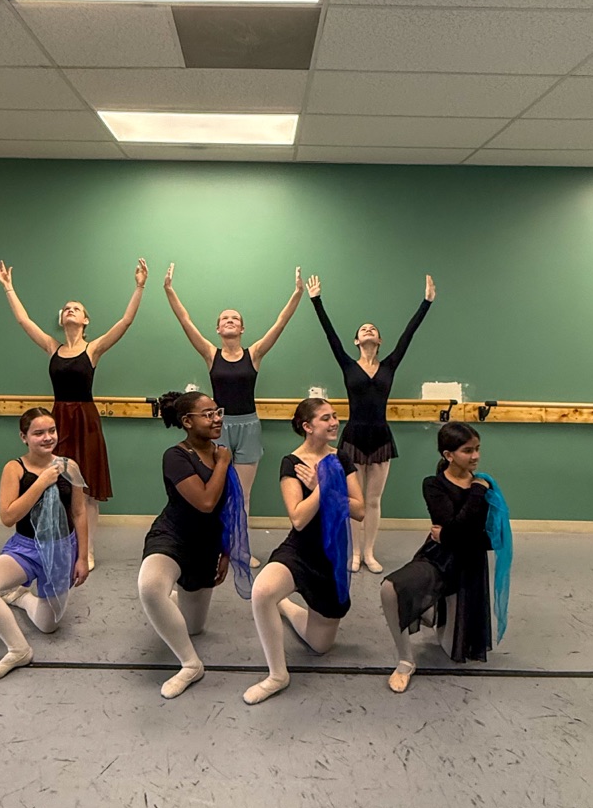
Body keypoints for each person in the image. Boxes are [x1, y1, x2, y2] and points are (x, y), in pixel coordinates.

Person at [0, 258, 148, 570]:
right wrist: (9, 288)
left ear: (86, 321)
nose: (69, 311)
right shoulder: (53, 347)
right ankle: (57, 544)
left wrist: (140, 286)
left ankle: (87, 551)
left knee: (86, 489)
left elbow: (126, 322)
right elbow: (25, 322)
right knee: (57, 483)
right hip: (58, 421)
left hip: (86, 421)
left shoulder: (93, 349)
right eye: (66, 308)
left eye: (75, 309)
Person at [162, 263, 303, 566]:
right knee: (217, 492)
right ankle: (216, 545)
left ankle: (240, 549)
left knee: (243, 495)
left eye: (234, 318)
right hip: (218, 428)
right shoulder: (210, 354)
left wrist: (297, 293)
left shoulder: (254, 354)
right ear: (218, 328)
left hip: (249, 427)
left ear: (241, 329)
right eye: (224, 318)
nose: (229, 321)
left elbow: (280, 323)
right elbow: (185, 321)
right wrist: (169, 290)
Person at [306, 273, 435, 573]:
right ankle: (352, 553)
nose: (368, 331)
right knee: (354, 499)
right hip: (353, 436)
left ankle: (369, 552)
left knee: (374, 500)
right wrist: (316, 301)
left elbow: (409, 335)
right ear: (356, 340)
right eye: (363, 329)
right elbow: (330, 336)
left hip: (380, 438)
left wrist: (426, 302)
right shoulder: (348, 364)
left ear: (378, 341)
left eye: (372, 330)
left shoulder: (390, 364)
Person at [243, 398, 364, 705]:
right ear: (308, 427)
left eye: (335, 416)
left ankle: (285, 606)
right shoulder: (292, 463)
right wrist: (326, 488)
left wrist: (327, 485)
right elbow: (298, 518)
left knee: (320, 646)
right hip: (300, 550)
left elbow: (360, 510)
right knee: (262, 591)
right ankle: (277, 674)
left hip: (331, 558)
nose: (335, 422)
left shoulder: (343, 458)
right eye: (326, 418)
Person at [379, 422, 513, 693]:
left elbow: (487, 537)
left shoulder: (485, 486)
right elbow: (453, 527)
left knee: (452, 650)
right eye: (467, 451)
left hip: (470, 565)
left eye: (477, 449)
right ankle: (405, 660)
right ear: (448, 455)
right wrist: (474, 496)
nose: (475, 456)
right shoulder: (434, 484)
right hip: (439, 559)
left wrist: (474, 496)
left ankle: (434, 608)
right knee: (390, 589)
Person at [137, 391, 251, 699]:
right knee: (150, 587)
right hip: (172, 536)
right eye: (208, 414)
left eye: (218, 412)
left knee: (194, 628)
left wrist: (226, 551)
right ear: (188, 421)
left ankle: (173, 595)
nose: (217, 419)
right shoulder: (176, 456)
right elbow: (205, 500)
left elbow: (228, 506)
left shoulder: (220, 452)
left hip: (206, 546)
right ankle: (190, 665)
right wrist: (224, 463)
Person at [0, 408, 89, 683]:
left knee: (47, 626)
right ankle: (18, 650)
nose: (47, 438)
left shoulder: (70, 467)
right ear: (24, 437)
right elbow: (8, 516)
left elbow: (79, 513)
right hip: (26, 549)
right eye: (38, 433)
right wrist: (41, 483)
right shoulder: (14, 468)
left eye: (51, 431)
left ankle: (20, 597)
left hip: (61, 551)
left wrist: (82, 557)